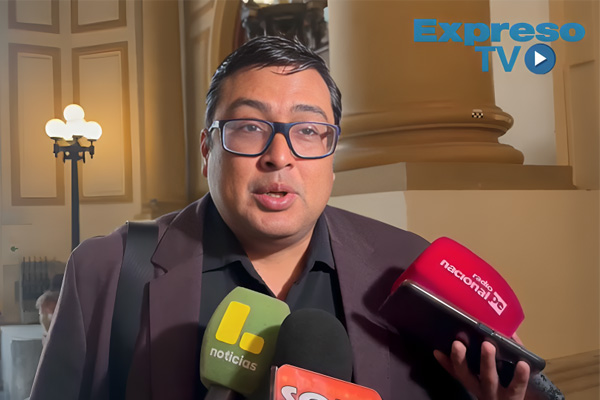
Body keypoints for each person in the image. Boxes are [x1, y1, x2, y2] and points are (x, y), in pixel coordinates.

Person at [30, 36, 560, 400]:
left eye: (308, 131)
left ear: (332, 156)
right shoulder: (108, 271)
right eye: (249, 128)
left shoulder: (404, 268)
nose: (279, 156)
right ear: (207, 151)